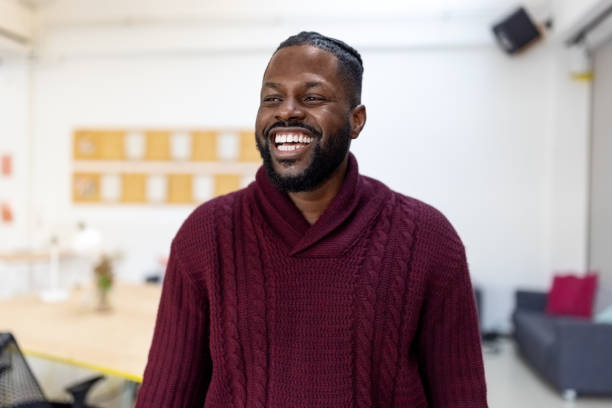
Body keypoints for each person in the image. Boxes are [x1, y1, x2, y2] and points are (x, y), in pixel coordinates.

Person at [135, 31, 488, 408]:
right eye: (271, 98)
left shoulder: (428, 238)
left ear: (356, 120)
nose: (286, 111)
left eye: (312, 97)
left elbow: (461, 396)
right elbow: (165, 395)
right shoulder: (206, 235)